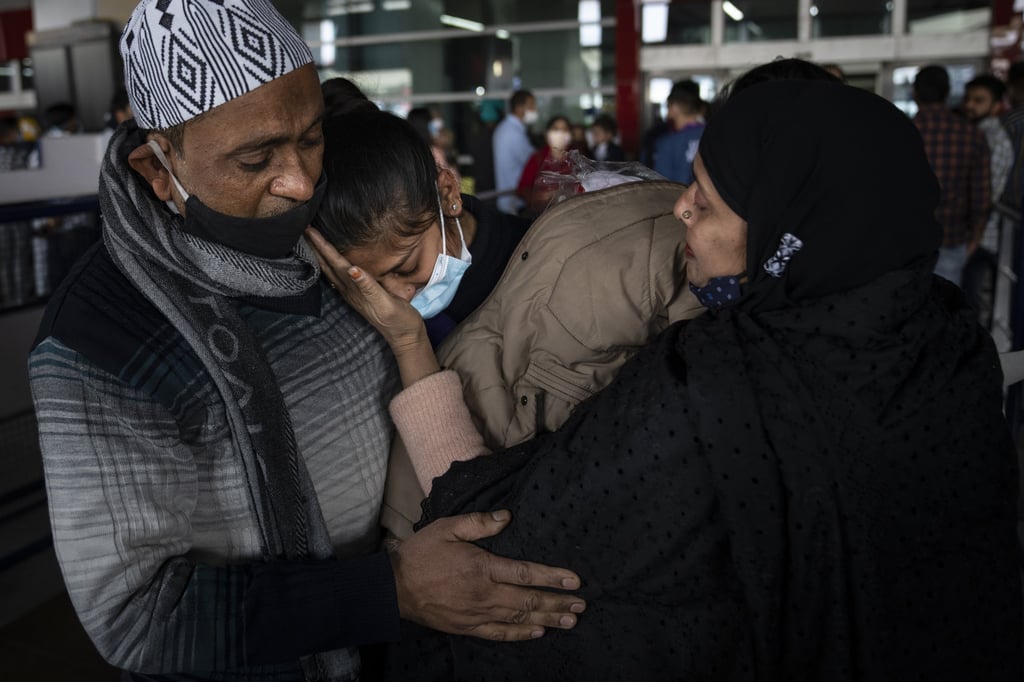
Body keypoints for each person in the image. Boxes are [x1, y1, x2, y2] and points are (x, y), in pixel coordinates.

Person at [322, 78, 1023, 680]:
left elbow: (491, 543)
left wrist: (411, 345)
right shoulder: (952, 344)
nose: (678, 207)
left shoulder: (712, 381)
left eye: (708, 202)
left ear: (786, 237)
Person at [28, 2, 584, 679]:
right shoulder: (101, 338)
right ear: (157, 167)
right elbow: (138, 615)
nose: (299, 183)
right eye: (256, 158)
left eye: (312, 138)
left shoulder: (319, 235)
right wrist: (393, 589)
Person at [313, 99, 534, 349]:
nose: (397, 297)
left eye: (407, 267)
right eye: (370, 283)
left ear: (448, 193)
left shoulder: (541, 258)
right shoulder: (357, 323)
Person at [912, 64, 990, 287]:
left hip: (908, 241)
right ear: (947, 94)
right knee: (944, 311)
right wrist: (974, 239)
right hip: (952, 237)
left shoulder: (902, 130)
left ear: (915, 93)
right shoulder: (972, 135)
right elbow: (981, 198)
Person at [962, 73, 1014, 325]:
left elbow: (987, 195)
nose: (970, 105)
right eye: (968, 99)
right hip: (975, 234)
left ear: (996, 105)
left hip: (981, 237)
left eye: (979, 100)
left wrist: (973, 236)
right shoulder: (974, 133)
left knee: (972, 306)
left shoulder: (992, 139)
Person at [515, 114, 575, 217]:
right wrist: (540, 196)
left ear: (570, 135)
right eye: (556, 129)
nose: (560, 133)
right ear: (547, 134)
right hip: (542, 218)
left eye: (565, 129)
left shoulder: (576, 159)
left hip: (570, 215)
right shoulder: (537, 158)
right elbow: (522, 189)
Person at [492, 89, 537, 214]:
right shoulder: (513, 133)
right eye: (531, 105)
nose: (535, 110)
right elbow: (533, 162)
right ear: (519, 108)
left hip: (510, 199)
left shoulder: (506, 128)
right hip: (515, 201)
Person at [651, 79, 705, 184]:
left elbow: (661, 186)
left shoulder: (667, 143)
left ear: (675, 107)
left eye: (668, 105)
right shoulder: (714, 136)